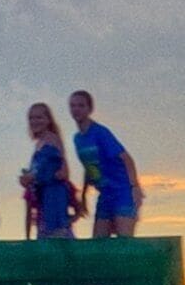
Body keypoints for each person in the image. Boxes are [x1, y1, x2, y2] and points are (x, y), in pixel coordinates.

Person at [70, 89, 141, 237]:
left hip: (122, 191)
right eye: (73, 105)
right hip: (104, 194)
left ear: (89, 109)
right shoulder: (78, 139)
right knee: (99, 241)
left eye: (81, 105)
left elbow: (126, 159)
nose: (76, 109)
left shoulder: (100, 132)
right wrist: (83, 195)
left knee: (124, 242)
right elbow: (89, 166)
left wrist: (135, 187)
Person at [22, 103, 80, 238]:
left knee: (57, 238)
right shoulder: (38, 144)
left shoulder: (52, 139)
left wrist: (34, 177)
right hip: (43, 202)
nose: (34, 121)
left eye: (39, 117)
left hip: (54, 197)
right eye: (31, 118)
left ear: (48, 120)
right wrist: (27, 179)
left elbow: (63, 172)